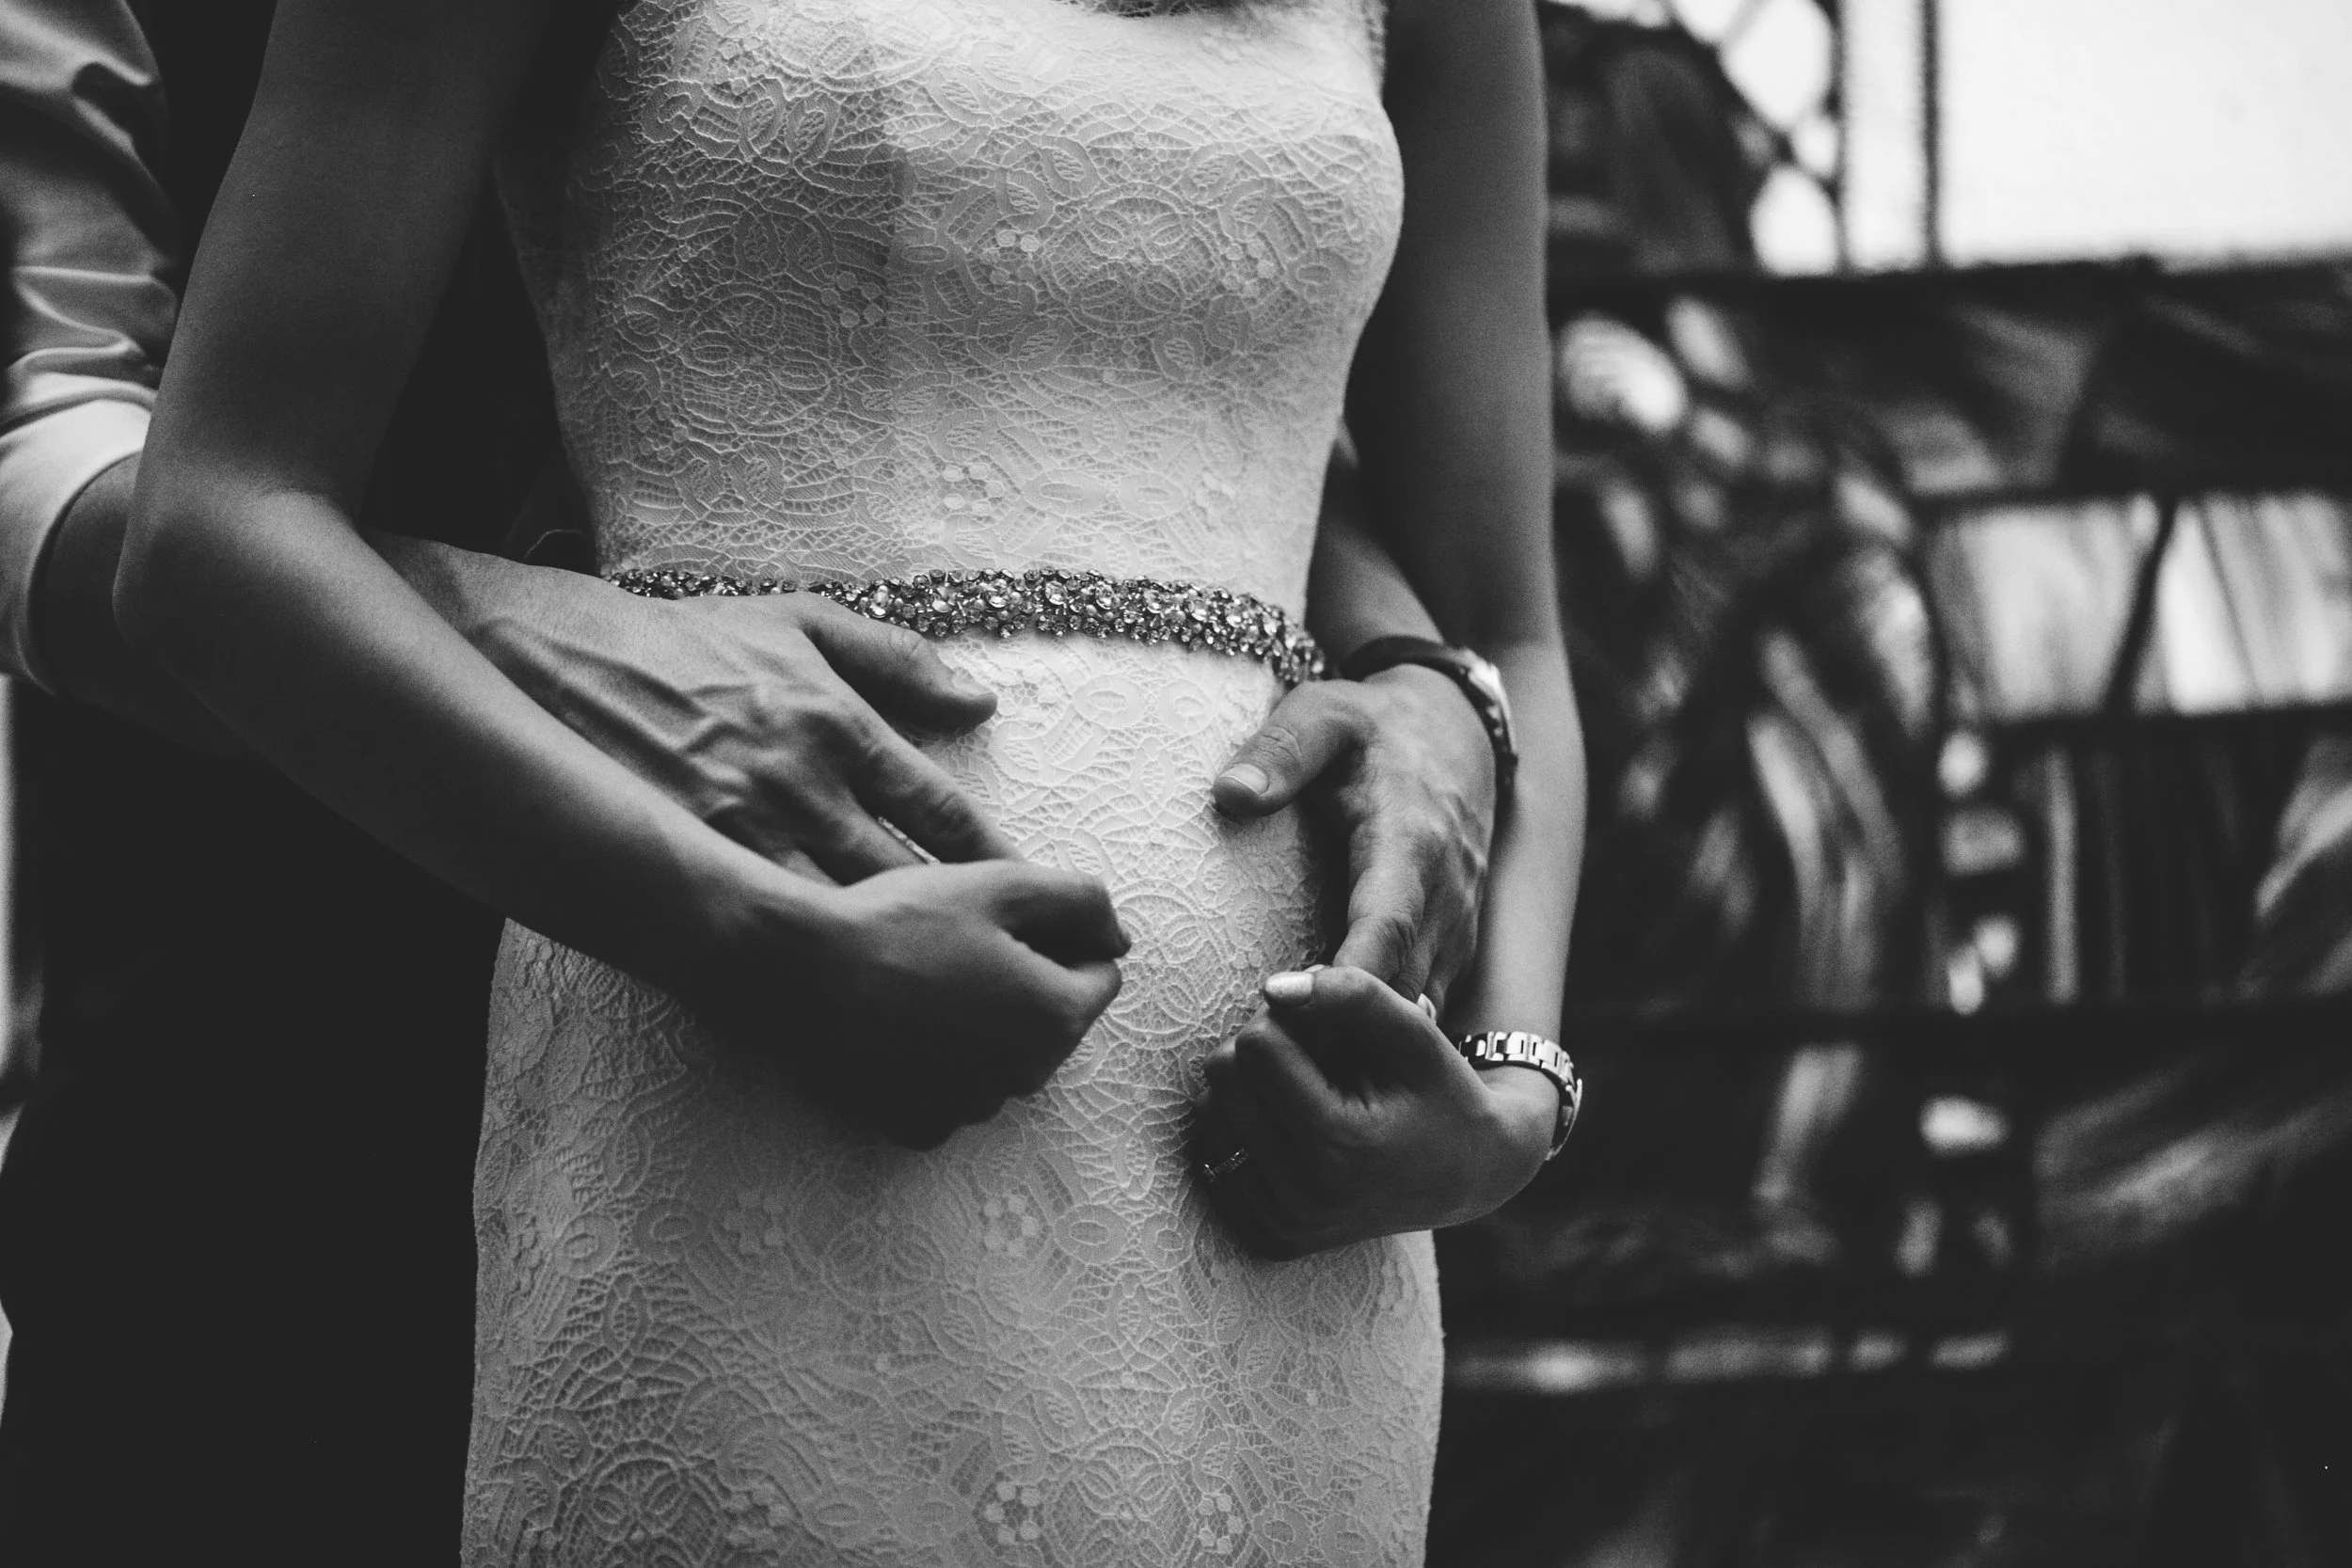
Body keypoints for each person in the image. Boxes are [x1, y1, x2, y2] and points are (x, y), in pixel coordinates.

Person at [0, 3, 1537, 1557]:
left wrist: (1419, 672)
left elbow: (1124, 330)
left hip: (1235, 1180)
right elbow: (86, 467)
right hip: (344, 1034)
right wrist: (570, 644)